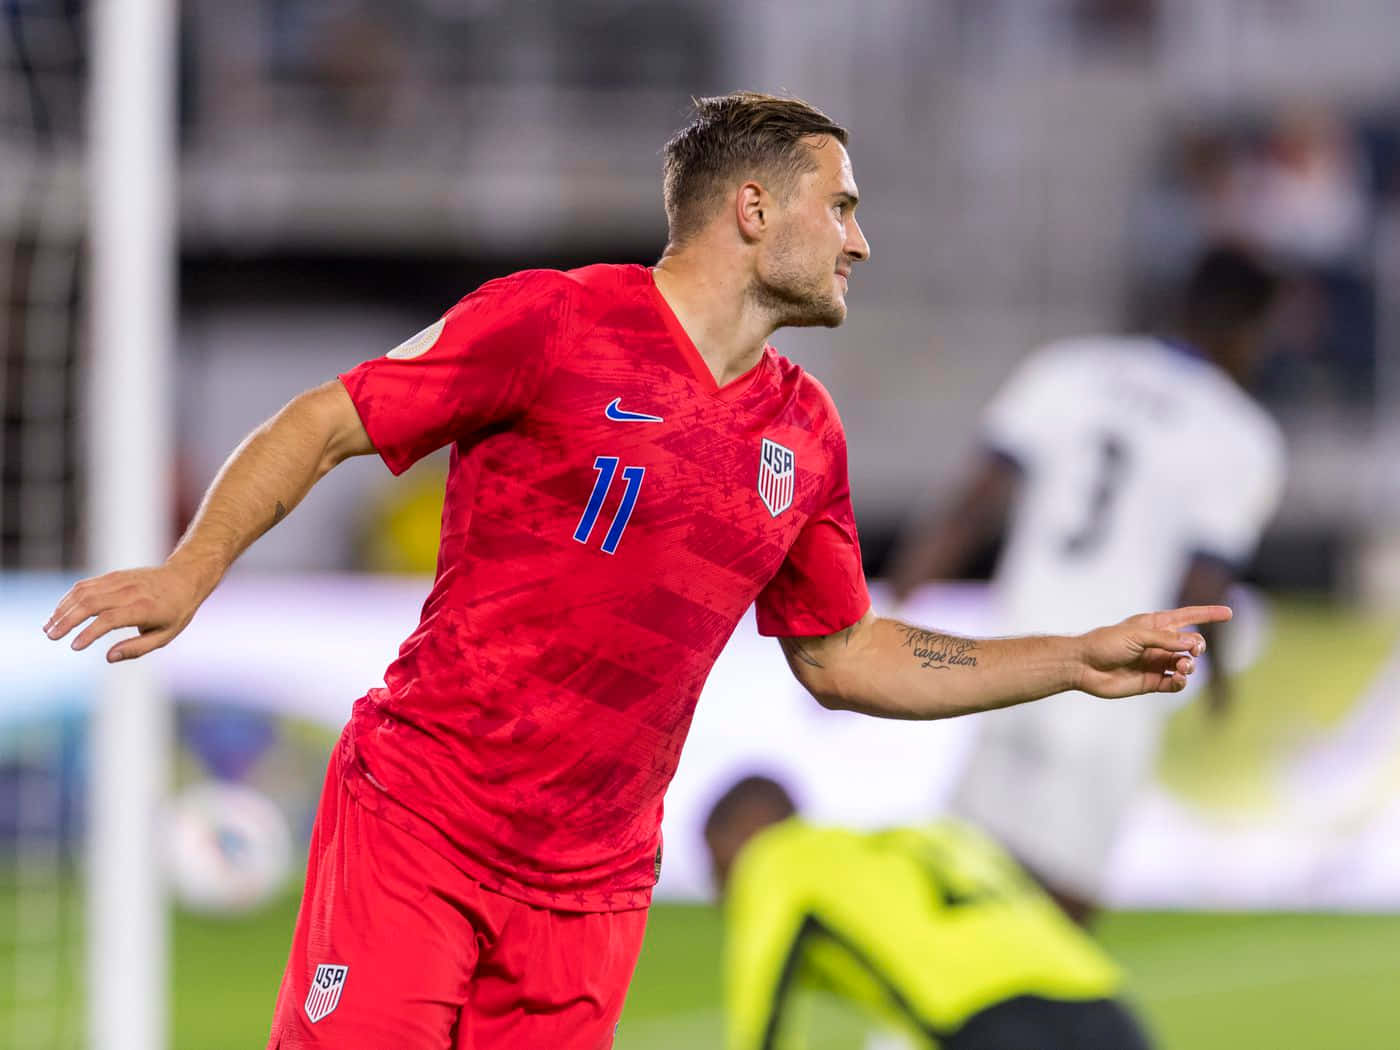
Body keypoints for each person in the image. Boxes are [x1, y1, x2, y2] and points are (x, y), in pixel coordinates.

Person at [44, 93, 1223, 1049]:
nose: (860, 239)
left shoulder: (803, 436)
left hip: (593, 888)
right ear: (753, 208)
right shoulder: (550, 324)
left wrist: (1069, 658)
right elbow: (324, 420)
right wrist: (191, 572)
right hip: (423, 824)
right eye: (842, 206)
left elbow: (843, 651)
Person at [890, 244, 1284, 926]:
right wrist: (1218, 681)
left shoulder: (1069, 370)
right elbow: (1204, 579)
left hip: (1011, 664)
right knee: (1064, 905)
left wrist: (902, 592)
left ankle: (902, 1035)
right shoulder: (1241, 435)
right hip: (1113, 685)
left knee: (957, 879)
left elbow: (975, 501)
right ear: (1251, 328)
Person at [706, 775, 1153, 1050]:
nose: (716, 890)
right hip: (1100, 1001)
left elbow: (761, 1024)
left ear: (739, 836)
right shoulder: (923, 836)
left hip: (990, 1024)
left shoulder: (773, 861)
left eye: (715, 862)